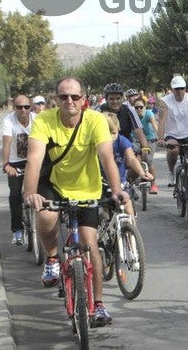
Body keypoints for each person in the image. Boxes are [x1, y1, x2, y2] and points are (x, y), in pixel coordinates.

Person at [22, 77, 130, 327]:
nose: (69, 101)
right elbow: (35, 159)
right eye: (63, 97)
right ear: (55, 99)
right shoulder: (45, 120)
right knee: (47, 216)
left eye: (75, 97)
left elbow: (107, 158)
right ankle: (51, 259)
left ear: (84, 99)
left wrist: (116, 190)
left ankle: (99, 305)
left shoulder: (95, 120)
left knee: (90, 246)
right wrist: (30, 192)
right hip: (55, 185)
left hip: (87, 189)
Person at [1, 95, 36, 245]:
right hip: (16, 162)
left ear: (31, 106)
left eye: (26, 107)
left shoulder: (37, 119)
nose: (23, 110)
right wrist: (6, 165)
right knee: (15, 195)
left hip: (34, 161)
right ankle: (17, 230)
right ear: (14, 107)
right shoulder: (9, 120)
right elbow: (7, 143)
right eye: (19, 107)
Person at [102, 115, 152, 216]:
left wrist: (142, 173)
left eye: (113, 133)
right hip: (101, 183)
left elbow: (132, 158)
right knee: (104, 211)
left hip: (121, 182)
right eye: (106, 133)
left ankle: (130, 229)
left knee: (128, 206)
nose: (111, 137)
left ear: (118, 129)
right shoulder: (97, 143)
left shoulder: (122, 141)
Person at [97, 83, 148, 149]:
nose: (115, 101)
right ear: (106, 100)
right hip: (105, 145)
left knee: (137, 155)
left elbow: (138, 130)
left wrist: (145, 148)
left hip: (126, 145)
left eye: (118, 98)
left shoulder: (128, 109)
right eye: (111, 99)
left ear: (122, 99)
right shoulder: (99, 110)